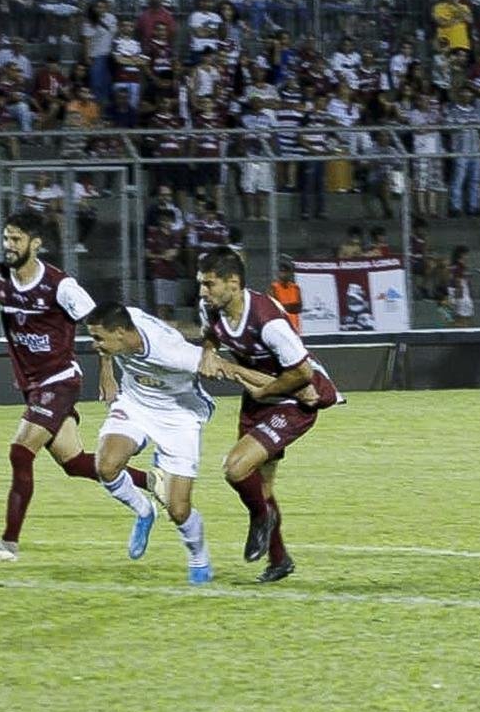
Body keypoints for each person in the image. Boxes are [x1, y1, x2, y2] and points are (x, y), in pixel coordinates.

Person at [0, 210, 153, 563]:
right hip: (32, 385)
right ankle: (154, 481)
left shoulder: (61, 286)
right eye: (6, 238)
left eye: (16, 239)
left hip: (59, 380)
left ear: (36, 243)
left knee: (20, 451)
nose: (9, 246)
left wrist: (107, 372)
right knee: (74, 462)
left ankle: (8, 545)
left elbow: (99, 325)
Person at [196, 248, 340, 583]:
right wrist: (208, 351)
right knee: (261, 484)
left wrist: (261, 388)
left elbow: (303, 374)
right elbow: (210, 336)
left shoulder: (268, 320)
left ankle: (262, 518)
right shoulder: (211, 308)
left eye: (209, 284)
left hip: (293, 399)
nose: (203, 291)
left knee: (235, 468)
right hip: (259, 398)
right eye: (201, 284)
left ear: (233, 282)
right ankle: (279, 560)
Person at [86, 302, 215, 585]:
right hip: (135, 403)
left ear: (120, 332)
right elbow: (105, 344)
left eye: (98, 338)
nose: (94, 344)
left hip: (178, 415)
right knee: (106, 466)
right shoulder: (121, 321)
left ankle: (198, 557)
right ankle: (144, 510)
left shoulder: (173, 353)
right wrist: (107, 371)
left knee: (179, 510)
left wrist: (278, 383)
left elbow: (222, 364)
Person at [269, 257, 303, 333]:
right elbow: (274, 308)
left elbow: (299, 308)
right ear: (279, 273)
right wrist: (291, 306)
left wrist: (284, 306)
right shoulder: (274, 287)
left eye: (287, 272)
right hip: (280, 326)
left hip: (294, 326)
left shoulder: (295, 288)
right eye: (282, 272)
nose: (284, 274)